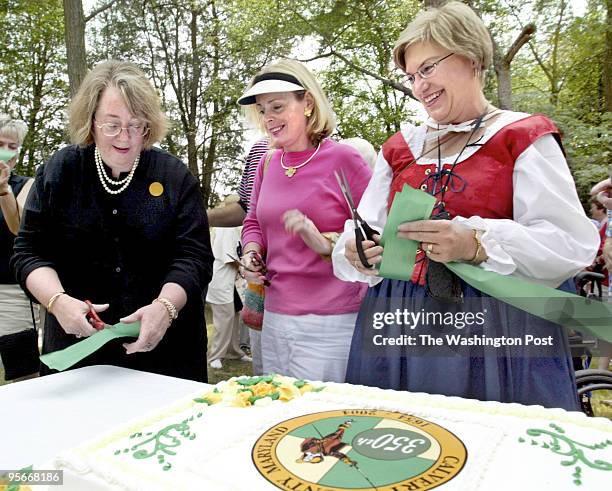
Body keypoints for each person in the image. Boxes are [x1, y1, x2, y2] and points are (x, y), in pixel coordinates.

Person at [332, 1, 598, 410]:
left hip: (499, 326)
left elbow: (568, 243)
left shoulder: (522, 136)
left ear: (471, 57)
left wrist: (476, 242)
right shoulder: (400, 149)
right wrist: (358, 249)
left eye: (428, 68)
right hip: (401, 324)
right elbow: (365, 228)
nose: (419, 85)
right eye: (411, 75)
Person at [11, 60, 213, 382]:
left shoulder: (174, 176)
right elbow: (28, 252)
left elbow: (194, 257)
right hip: (78, 354)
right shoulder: (60, 171)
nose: (125, 137)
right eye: (112, 124)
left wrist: (165, 308)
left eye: (137, 125)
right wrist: (56, 301)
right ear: (91, 122)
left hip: (166, 355)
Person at [238, 59, 372, 383]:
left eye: (278, 107)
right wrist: (251, 252)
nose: (269, 119)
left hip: (331, 321)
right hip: (274, 318)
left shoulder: (344, 159)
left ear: (307, 103)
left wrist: (323, 240)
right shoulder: (268, 162)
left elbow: (377, 234)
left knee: (324, 420)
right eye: (263, 110)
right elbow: (253, 220)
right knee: (279, 414)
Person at [0, 115, 39, 382]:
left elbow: (18, 227)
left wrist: (4, 190)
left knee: (24, 375)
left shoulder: (27, 185)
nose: (5, 150)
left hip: (12, 293)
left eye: (12, 146)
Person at [206, 197, 252, 369]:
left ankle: (233, 351)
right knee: (224, 318)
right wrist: (244, 266)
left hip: (231, 281)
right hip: (221, 278)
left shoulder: (235, 228)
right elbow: (229, 256)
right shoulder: (225, 228)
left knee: (235, 314)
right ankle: (215, 355)